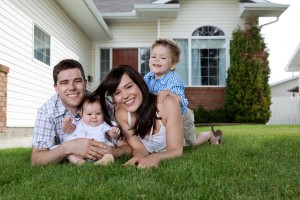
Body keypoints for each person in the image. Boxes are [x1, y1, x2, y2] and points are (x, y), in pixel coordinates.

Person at [31, 59, 132, 166]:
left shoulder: (103, 105)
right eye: (64, 83)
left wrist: (112, 151)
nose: (72, 88)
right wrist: (67, 148)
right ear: (56, 88)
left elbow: (127, 148)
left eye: (77, 81)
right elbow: (36, 159)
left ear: (85, 83)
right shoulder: (47, 112)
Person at [144, 38, 223, 146]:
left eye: (162, 57)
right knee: (169, 141)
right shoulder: (148, 77)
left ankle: (210, 134)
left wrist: (169, 93)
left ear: (172, 65)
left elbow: (182, 100)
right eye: (153, 56)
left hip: (182, 117)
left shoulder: (174, 80)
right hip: (163, 117)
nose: (156, 59)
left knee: (191, 142)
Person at [62, 95, 121, 165]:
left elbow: (112, 134)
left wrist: (115, 132)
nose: (94, 117)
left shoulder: (104, 124)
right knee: (70, 155)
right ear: (81, 113)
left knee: (108, 154)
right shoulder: (78, 122)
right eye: (89, 114)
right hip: (80, 151)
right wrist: (67, 125)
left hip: (98, 151)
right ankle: (81, 163)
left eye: (98, 114)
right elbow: (67, 130)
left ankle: (101, 162)